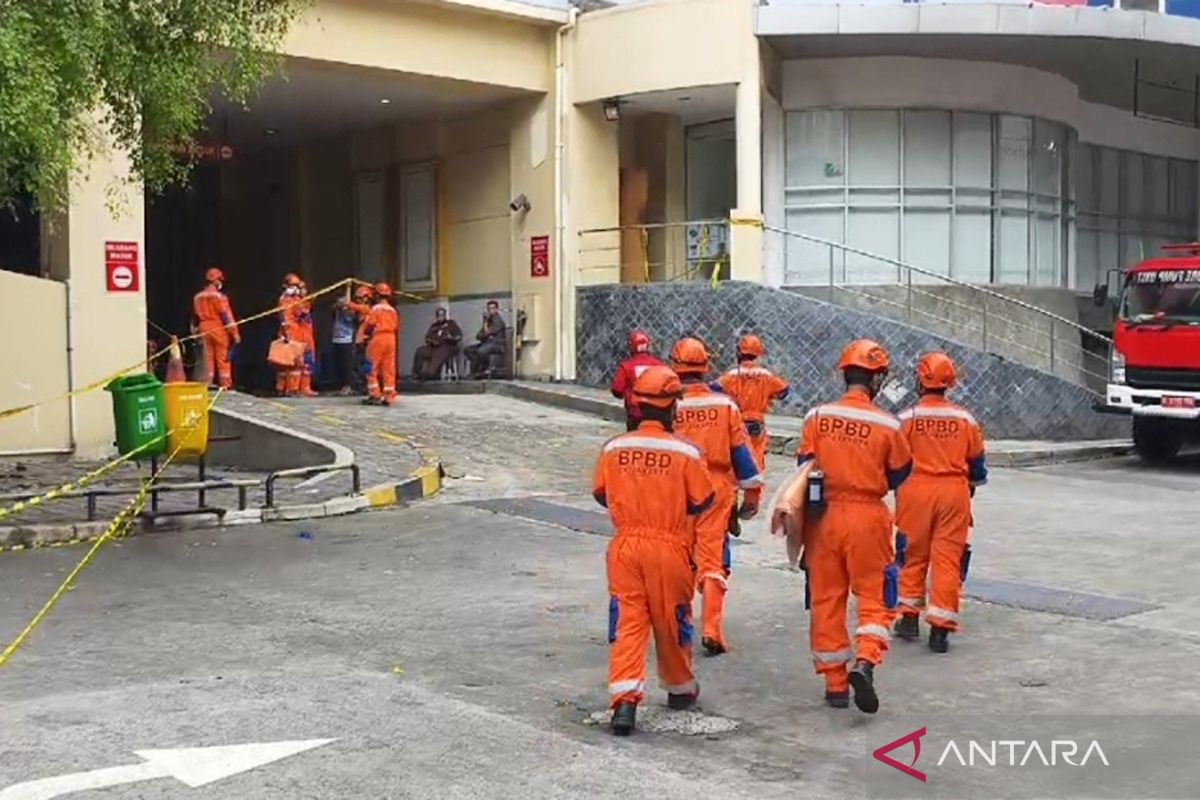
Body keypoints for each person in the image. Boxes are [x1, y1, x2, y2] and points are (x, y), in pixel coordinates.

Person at [592, 366, 715, 736]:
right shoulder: (686, 452)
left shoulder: (614, 448)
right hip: (669, 545)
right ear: (671, 407)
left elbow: (601, 493)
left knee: (628, 621)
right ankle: (679, 688)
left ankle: (625, 700)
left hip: (625, 546)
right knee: (672, 619)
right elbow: (702, 500)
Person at [797, 339, 912, 714]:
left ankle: (834, 685)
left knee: (826, 599)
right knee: (873, 596)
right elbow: (899, 473)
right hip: (867, 517)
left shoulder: (816, 416)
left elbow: (804, 465)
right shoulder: (888, 424)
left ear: (845, 374)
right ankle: (865, 661)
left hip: (822, 516)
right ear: (876, 378)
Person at [669, 337, 762, 657]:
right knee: (711, 558)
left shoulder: (667, 403)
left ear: (675, 367)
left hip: (676, 487)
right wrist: (751, 498)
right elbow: (744, 458)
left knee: (678, 555)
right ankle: (711, 628)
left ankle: (676, 624)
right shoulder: (724, 406)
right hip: (716, 486)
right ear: (705, 366)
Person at [894, 352, 988, 654]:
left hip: (914, 490)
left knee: (911, 555)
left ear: (921, 380)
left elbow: (893, 461)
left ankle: (908, 617)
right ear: (950, 383)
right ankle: (940, 628)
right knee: (948, 558)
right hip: (954, 492)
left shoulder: (906, 418)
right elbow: (977, 466)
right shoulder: (965, 419)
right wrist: (968, 486)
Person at [716, 334, 790, 487]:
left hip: (735, 422)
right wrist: (767, 395)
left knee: (732, 461)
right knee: (756, 464)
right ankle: (752, 502)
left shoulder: (731, 375)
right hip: (757, 425)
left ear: (739, 352)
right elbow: (784, 391)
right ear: (758, 353)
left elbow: (714, 389)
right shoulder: (766, 375)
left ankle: (733, 498)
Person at [192, 267, 239, 390]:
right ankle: (225, 384)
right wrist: (235, 334)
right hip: (218, 328)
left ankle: (207, 382)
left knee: (207, 358)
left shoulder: (197, 297)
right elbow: (226, 316)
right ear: (216, 281)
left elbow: (195, 317)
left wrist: (195, 331)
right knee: (223, 357)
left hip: (203, 328)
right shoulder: (220, 297)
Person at [611, 331, 664, 431]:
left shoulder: (627, 366)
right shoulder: (658, 364)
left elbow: (617, 389)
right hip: (657, 413)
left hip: (635, 414)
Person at [278, 274, 316, 397]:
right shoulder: (287, 300)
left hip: (302, 333)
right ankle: (292, 389)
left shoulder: (295, 300)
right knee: (294, 363)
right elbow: (297, 314)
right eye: (293, 286)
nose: (296, 289)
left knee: (306, 362)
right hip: (292, 332)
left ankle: (303, 388)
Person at [363, 282, 399, 406]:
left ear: (377, 295)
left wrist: (366, 337)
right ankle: (389, 396)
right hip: (391, 339)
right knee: (389, 368)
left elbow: (370, 325)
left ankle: (375, 394)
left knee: (370, 366)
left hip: (378, 338)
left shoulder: (376, 309)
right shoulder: (393, 310)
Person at [412, 307, 463, 380]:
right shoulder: (434, 326)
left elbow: (459, 336)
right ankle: (416, 373)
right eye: (438, 315)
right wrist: (432, 341)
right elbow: (427, 337)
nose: (440, 317)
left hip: (448, 346)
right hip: (434, 346)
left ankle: (430, 373)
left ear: (445, 315)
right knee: (420, 350)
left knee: (439, 352)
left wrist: (451, 338)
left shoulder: (451, 323)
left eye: (442, 315)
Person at [464, 300, 507, 378]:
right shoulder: (489, 321)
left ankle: (481, 370)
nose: (490, 310)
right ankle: (476, 371)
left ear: (496, 309)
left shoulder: (498, 321)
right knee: (468, 350)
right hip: (486, 343)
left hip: (497, 344)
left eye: (492, 308)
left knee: (481, 351)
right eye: (489, 309)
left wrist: (485, 322)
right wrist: (484, 332)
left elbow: (486, 333)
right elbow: (478, 336)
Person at [348, 284, 375, 394]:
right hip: (360, 341)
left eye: (361, 298)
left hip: (365, 341)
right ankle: (361, 386)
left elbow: (348, 304)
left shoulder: (366, 308)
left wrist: (348, 288)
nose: (359, 300)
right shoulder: (361, 311)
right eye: (357, 298)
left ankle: (366, 387)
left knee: (364, 365)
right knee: (357, 365)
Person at [331, 294, 359, 395]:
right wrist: (339, 305)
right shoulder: (337, 311)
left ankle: (349, 386)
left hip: (347, 339)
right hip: (336, 339)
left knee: (347, 365)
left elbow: (353, 319)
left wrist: (348, 308)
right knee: (339, 365)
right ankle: (341, 385)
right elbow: (333, 310)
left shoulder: (352, 311)